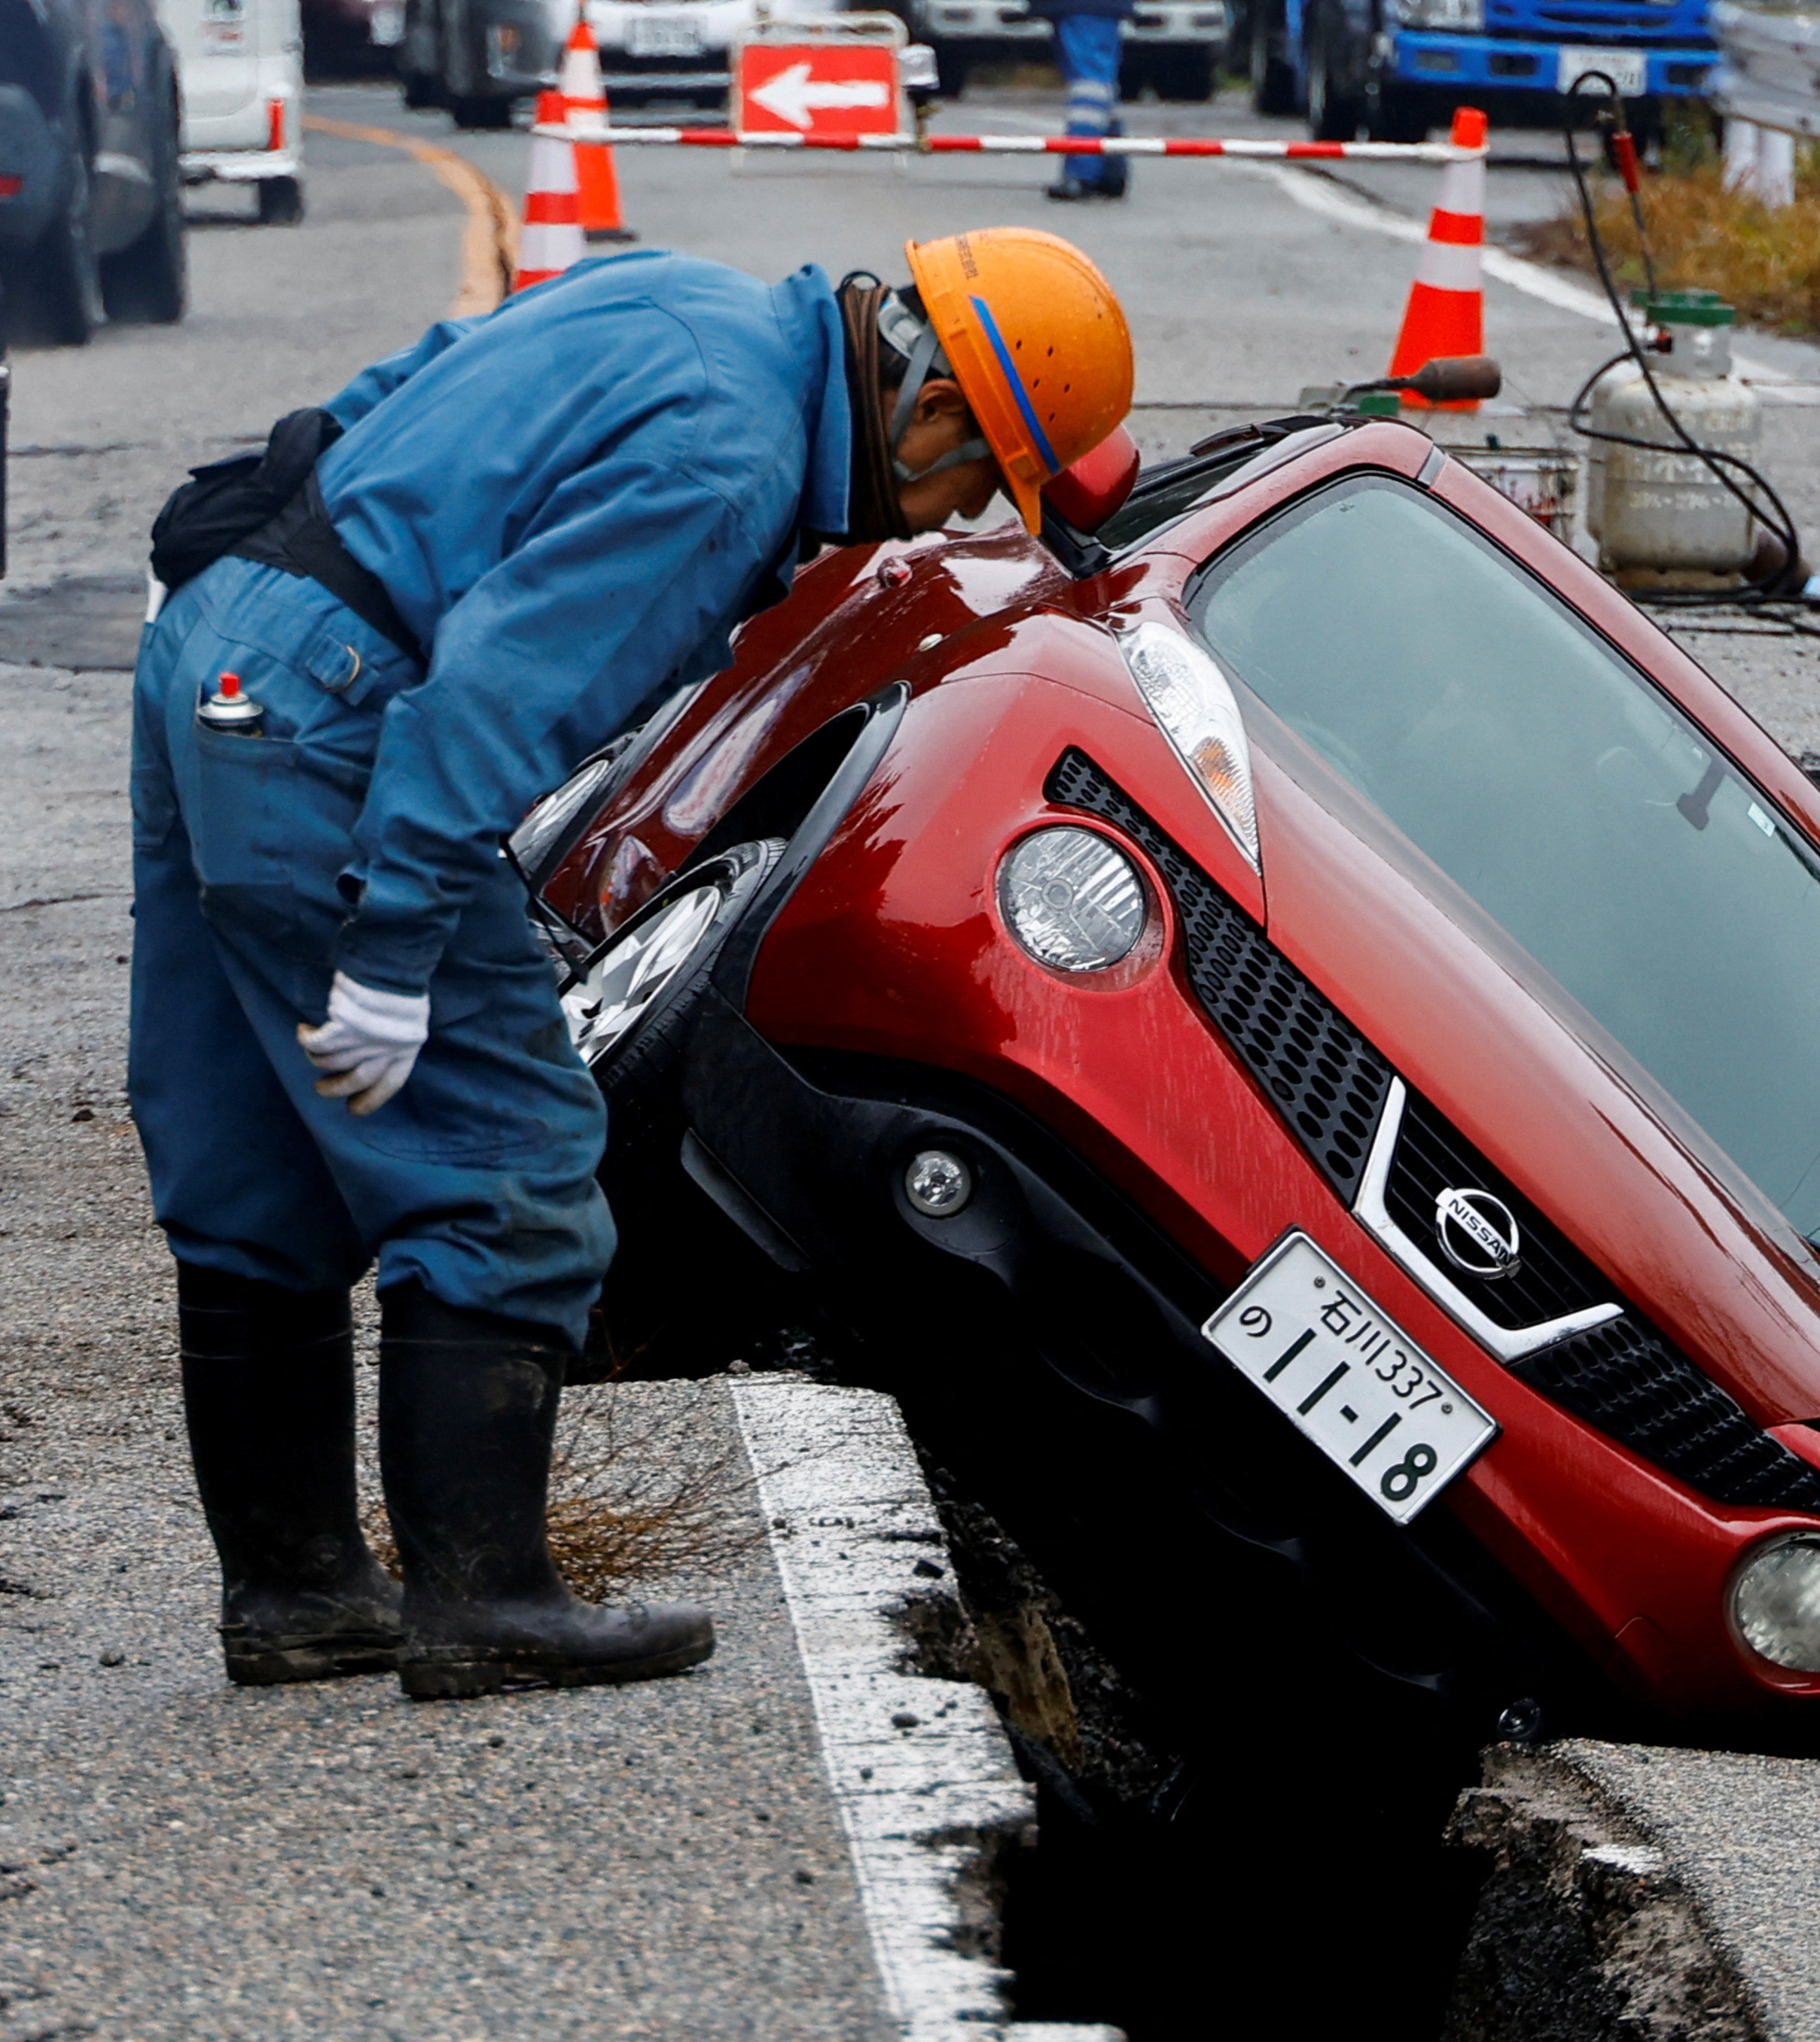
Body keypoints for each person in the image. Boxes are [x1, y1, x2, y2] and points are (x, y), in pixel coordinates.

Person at [128, 230, 1137, 1699]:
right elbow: (488, 702)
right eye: (973, 476)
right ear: (928, 404)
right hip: (323, 718)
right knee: (512, 1150)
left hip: (221, 647)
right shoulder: (725, 470)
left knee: (249, 1143)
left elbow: (413, 382)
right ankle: (484, 1603)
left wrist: (254, 569)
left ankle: (297, 1590)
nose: (950, 515)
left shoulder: (688, 298)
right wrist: (399, 943)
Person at [1037, 0, 1133, 202]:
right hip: (1094, 8)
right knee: (1098, 87)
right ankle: (1109, 168)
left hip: (1083, 7)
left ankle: (1082, 173)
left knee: (1089, 87)